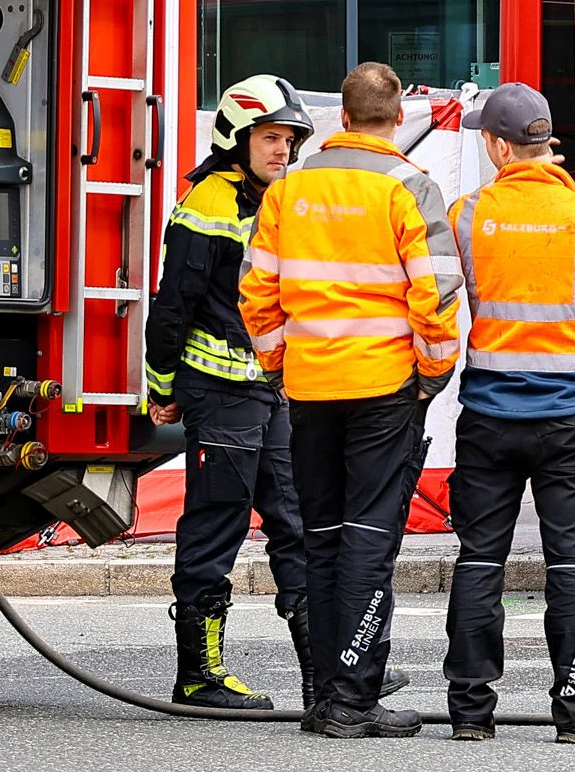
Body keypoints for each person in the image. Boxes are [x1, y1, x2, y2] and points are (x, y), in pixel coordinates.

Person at [241, 61, 461, 738]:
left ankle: (328, 694)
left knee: (324, 538)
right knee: (369, 540)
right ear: (398, 119)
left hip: (309, 387)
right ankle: (351, 700)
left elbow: (256, 294)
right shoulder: (408, 186)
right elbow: (438, 295)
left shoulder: (288, 189)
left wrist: (282, 365)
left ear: (340, 115)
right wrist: (431, 373)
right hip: (382, 387)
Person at [441, 84, 575, 744]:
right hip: (570, 419)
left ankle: (469, 712)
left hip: (490, 416)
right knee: (572, 566)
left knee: (479, 562)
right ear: (543, 141)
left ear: (497, 145)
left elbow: (451, 292)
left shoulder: (466, 214)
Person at [144, 74, 318, 709]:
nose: (283, 150)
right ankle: (199, 676)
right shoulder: (210, 202)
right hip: (218, 393)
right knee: (216, 525)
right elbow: (173, 306)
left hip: (269, 391)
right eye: (271, 137)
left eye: (290, 139)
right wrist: (163, 387)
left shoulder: (276, 198)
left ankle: (326, 670)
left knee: (295, 522)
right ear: (237, 137)